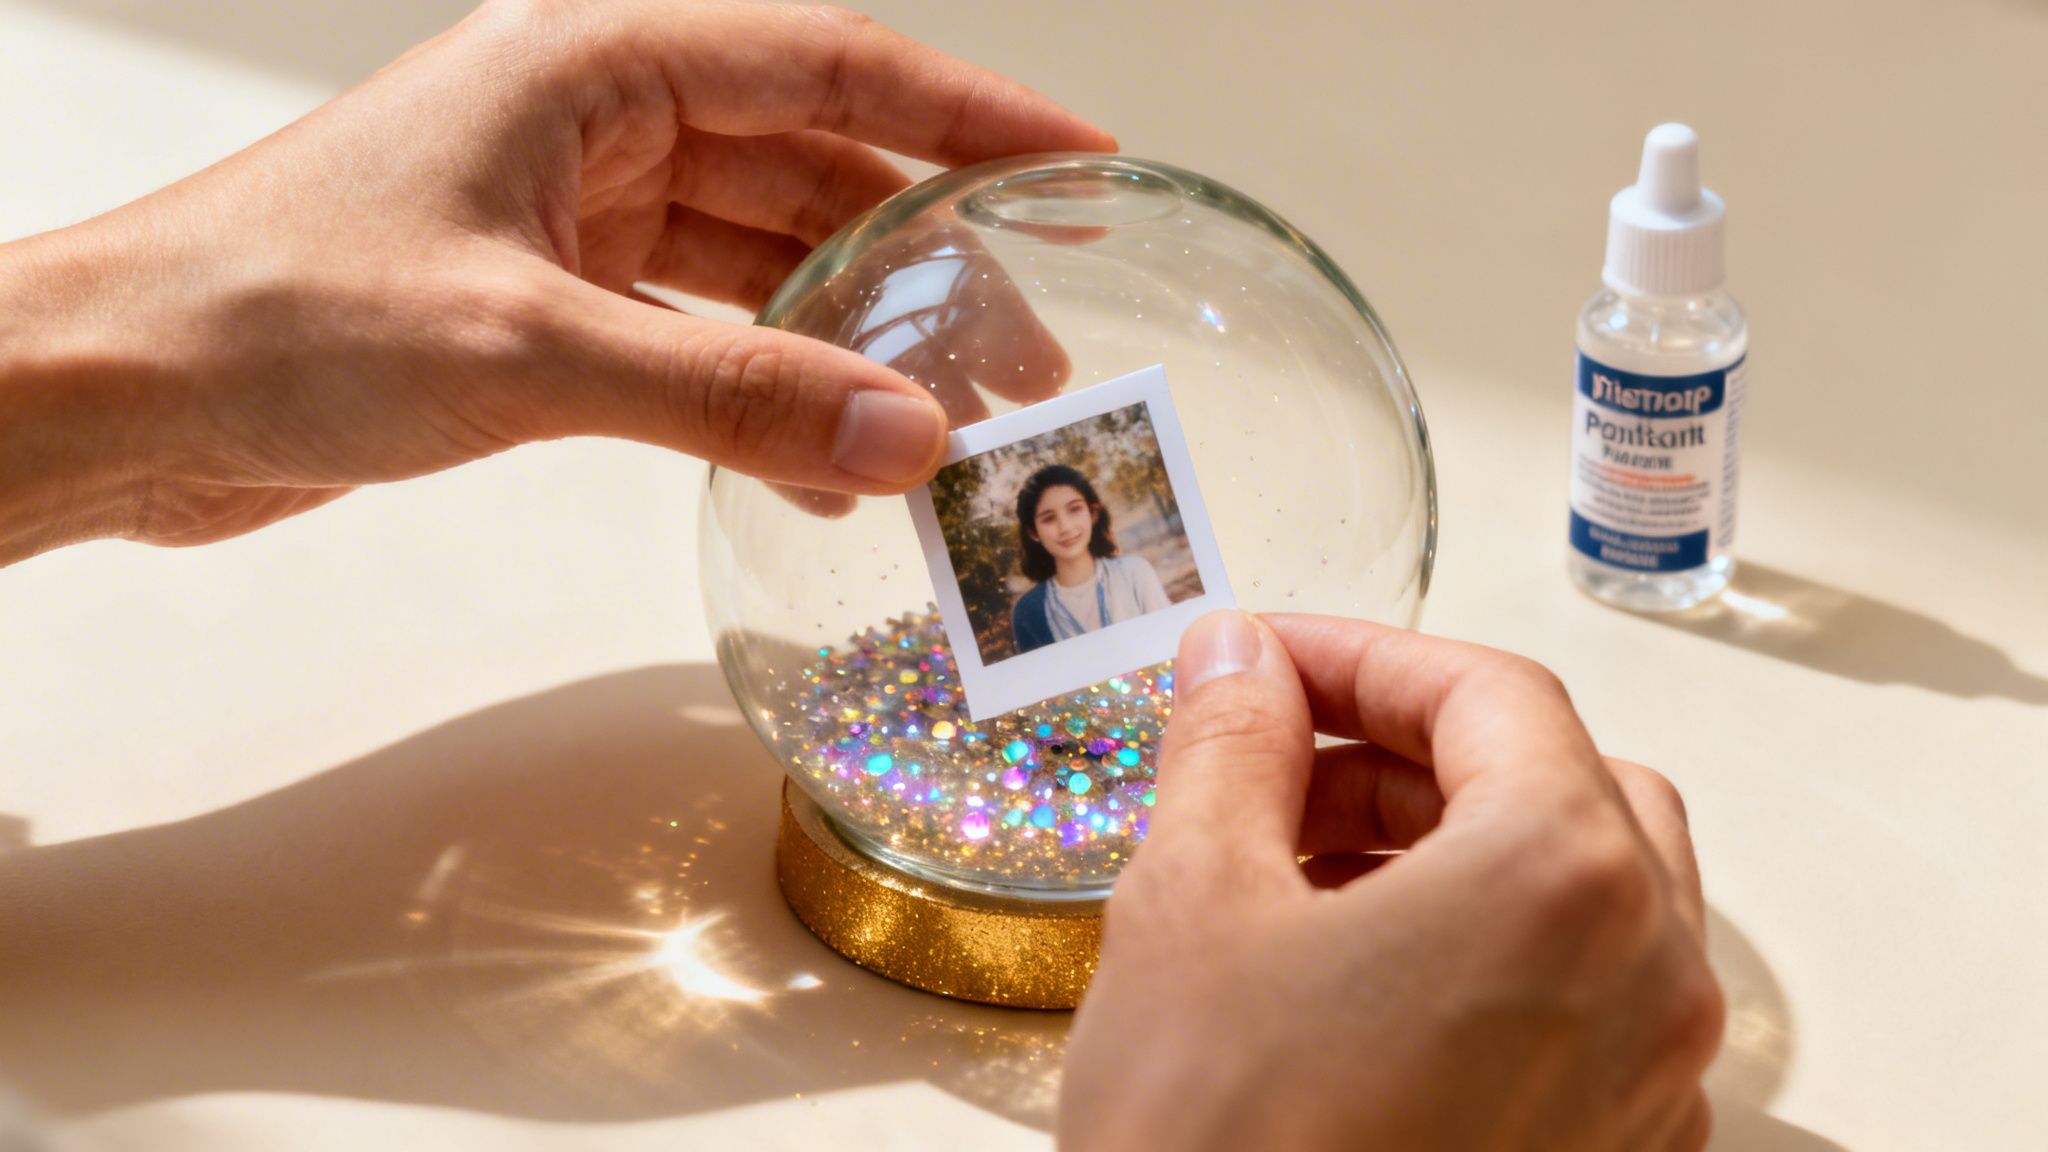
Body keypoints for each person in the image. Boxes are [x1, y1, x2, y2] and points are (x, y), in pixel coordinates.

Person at [0, 2, 1722, 1148]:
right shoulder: (1027, 610)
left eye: (1069, 521)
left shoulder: (1146, 609)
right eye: (1041, 524)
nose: (1055, 532)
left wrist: (123, 391)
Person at [1010, 464, 1172, 655]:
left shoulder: (1135, 572)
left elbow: (1171, 643)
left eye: (1074, 509)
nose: (1066, 527)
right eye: (1048, 518)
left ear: (1093, 513)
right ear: (1033, 533)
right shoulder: (1028, 612)